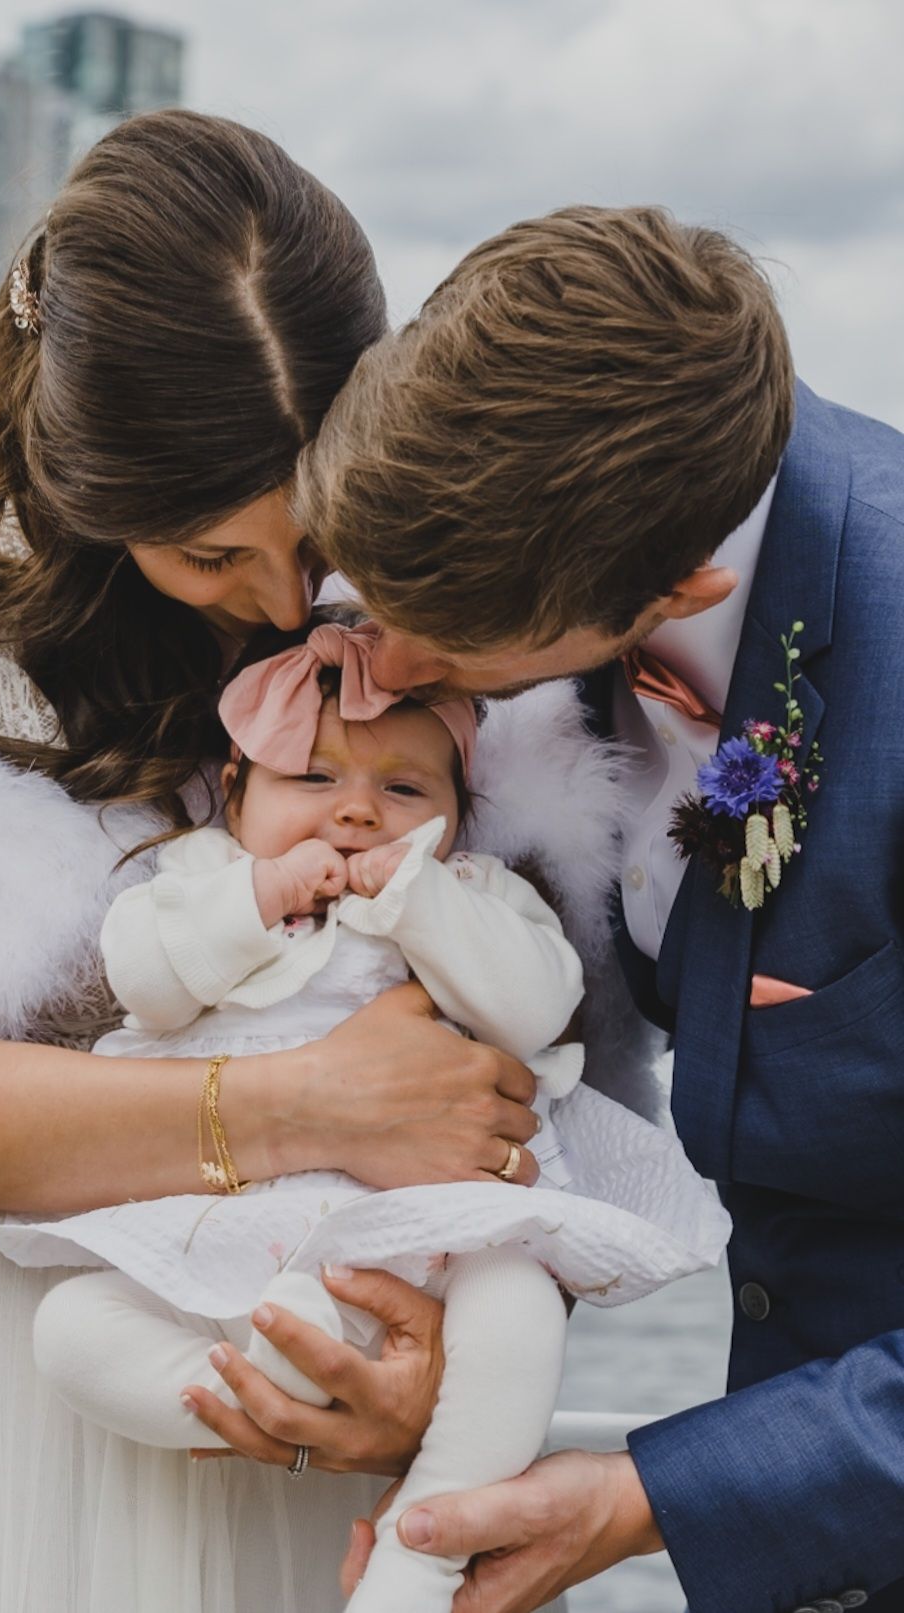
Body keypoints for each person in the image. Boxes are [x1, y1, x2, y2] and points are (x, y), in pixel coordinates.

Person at [0, 110, 549, 1613]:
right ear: (89, 478)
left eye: (310, 536)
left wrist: (435, 1364)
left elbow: (510, 1051)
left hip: (303, 1337)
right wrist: (303, 1103)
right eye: (212, 555)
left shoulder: (408, 616)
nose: (283, 603)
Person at [242, 203, 899, 1613]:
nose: (380, 667)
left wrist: (645, 1496)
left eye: (442, 644)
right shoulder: (575, 453)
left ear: (680, 588)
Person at [0, 617, 726, 1613]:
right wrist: (256, 899)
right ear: (235, 789)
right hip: (229, 1227)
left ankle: (422, 1548)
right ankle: (255, 1383)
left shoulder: (472, 891)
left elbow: (534, 1004)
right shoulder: (201, 876)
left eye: (406, 790)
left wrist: (421, 901)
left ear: (458, 819)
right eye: (312, 776)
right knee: (72, 1329)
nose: (357, 809)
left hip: (423, 1235)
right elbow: (145, 978)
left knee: (515, 1310)